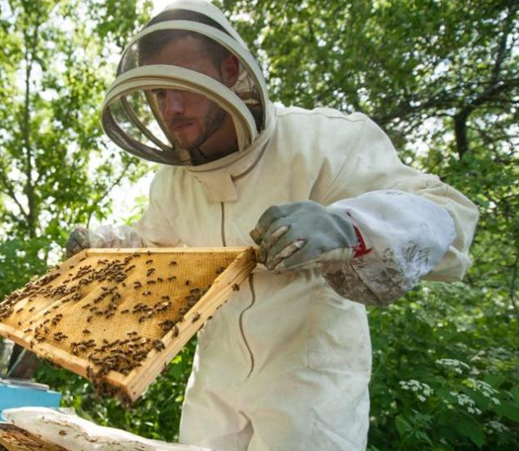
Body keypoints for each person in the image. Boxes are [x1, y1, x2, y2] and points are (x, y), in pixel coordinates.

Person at [66, 1, 479, 450]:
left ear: (229, 70)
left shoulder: (326, 142)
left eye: (185, 84)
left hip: (309, 388)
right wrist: (103, 250)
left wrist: (348, 226)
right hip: (213, 387)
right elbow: (156, 251)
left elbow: (449, 217)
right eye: (160, 93)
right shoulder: (173, 183)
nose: (173, 107)